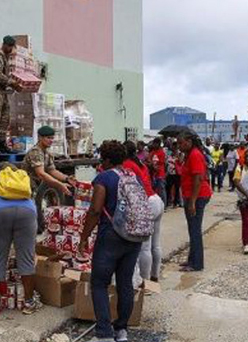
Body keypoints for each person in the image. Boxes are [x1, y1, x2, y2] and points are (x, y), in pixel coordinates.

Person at [78, 141, 142, 342]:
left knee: (99, 283)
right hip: (133, 236)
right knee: (125, 283)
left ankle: (104, 333)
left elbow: (96, 210)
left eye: (101, 158)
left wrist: (83, 237)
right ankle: (121, 330)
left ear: (106, 160)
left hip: (111, 236)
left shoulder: (104, 178)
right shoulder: (133, 176)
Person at [0, 165, 41, 316]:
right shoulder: (24, 179)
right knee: (26, 259)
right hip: (27, 214)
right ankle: (28, 303)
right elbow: (33, 199)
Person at [123, 141, 165, 282]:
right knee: (155, 244)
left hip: (147, 203)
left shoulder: (128, 165)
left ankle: (145, 282)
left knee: (144, 247)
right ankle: (155, 276)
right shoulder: (140, 163)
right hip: (156, 199)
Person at [177, 131, 213, 272]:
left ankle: (197, 264)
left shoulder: (195, 155)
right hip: (191, 196)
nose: (179, 146)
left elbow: (198, 179)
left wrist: (192, 201)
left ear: (189, 142)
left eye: (181, 143)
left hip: (197, 197)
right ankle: (192, 260)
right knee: (192, 229)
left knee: (195, 230)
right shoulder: (189, 155)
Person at [22, 126, 75, 195]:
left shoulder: (47, 153)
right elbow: (41, 174)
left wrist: (67, 178)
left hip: (37, 186)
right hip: (27, 186)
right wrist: (60, 185)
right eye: (48, 138)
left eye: (52, 138)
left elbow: (52, 170)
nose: (51, 140)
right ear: (40, 138)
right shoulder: (35, 152)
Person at [148, 138, 167, 205]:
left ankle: (164, 204)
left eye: (155, 143)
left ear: (158, 144)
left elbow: (161, 163)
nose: (153, 145)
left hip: (160, 174)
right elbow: (149, 159)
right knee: (155, 190)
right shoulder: (153, 152)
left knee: (161, 190)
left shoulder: (161, 152)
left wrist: (154, 166)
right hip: (154, 174)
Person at [165, 143, 182, 208]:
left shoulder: (180, 153)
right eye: (173, 146)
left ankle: (175, 203)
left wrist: (177, 155)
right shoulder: (169, 154)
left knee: (177, 188)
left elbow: (180, 161)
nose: (173, 148)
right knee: (168, 188)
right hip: (170, 174)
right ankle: (167, 202)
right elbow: (166, 163)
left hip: (177, 174)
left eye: (175, 147)